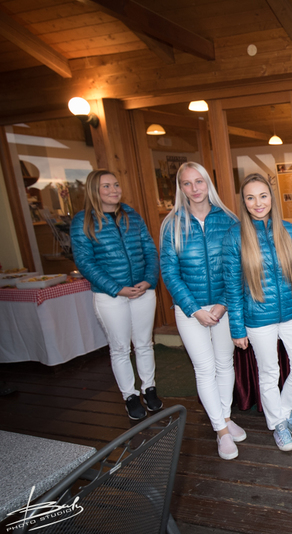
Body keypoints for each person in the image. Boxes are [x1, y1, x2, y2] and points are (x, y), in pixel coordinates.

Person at [223, 173, 292, 452]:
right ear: (244, 202)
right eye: (250, 198)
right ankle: (278, 425)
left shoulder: (289, 231)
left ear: (272, 198)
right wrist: (237, 328)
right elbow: (232, 286)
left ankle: (283, 413)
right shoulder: (235, 236)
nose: (258, 203)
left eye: (263, 196)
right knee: (269, 373)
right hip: (257, 318)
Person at [160, 162, 245, 460]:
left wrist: (222, 304)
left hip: (224, 306)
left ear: (208, 183)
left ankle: (225, 417)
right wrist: (194, 309)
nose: (194, 188)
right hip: (190, 310)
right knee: (205, 368)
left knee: (225, 363)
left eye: (199, 181)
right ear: (180, 188)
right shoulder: (172, 224)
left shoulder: (229, 219)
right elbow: (169, 272)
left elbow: (237, 266)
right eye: (187, 183)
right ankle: (221, 431)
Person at [71, 170, 162, 420]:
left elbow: (150, 250)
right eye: (106, 186)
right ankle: (130, 396)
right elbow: (85, 263)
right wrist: (117, 289)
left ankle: (149, 389)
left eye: (116, 184)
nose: (114, 190)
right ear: (94, 190)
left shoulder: (132, 215)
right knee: (120, 348)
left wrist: (148, 280)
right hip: (110, 296)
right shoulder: (82, 221)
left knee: (144, 344)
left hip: (143, 291)